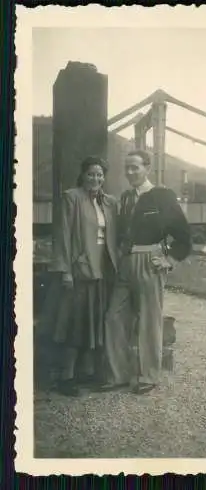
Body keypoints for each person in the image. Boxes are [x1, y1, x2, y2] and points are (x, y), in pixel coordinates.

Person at [101, 149, 192, 395]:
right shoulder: (127, 197)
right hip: (125, 261)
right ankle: (118, 374)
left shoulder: (162, 196)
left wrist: (169, 259)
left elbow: (184, 236)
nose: (130, 172)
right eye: (127, 168)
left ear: (147, 168)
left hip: (149, 261)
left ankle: (149, 375)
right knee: (113, 317)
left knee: (149, 320)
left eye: (135, 167)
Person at [42, 156, 119, 396]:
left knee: (93, 324)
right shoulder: (71, 197)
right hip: (79, 270)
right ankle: (66, 378)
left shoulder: (108, 202)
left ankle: (85, 374)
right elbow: (63, 235)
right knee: (73, 324)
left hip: (101, 270)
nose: (95, 178)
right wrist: (65, 270)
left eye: (100, 175)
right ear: (83, 175)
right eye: (91, 174)